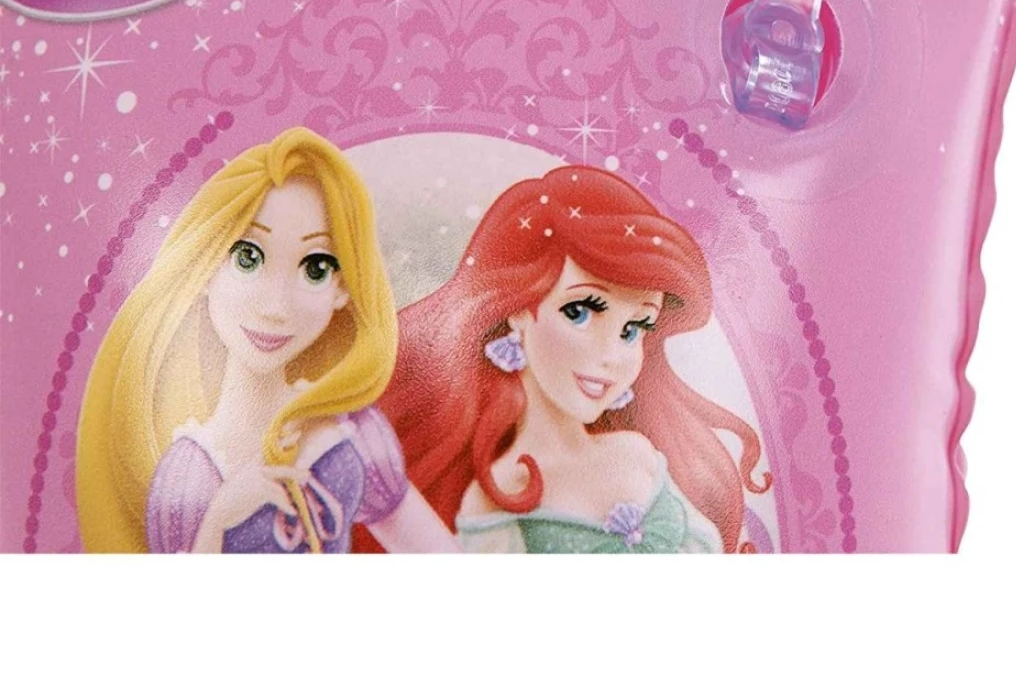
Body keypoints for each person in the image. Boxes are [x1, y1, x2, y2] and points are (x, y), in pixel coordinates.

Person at [76, 127, 458, 553]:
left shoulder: (348, 432)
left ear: (343, 287)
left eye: (315, 268)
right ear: (205, 265)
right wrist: (220, 517)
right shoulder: (190, 472)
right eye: (247, 257)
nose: (275, 307)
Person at [364, 165, 772, 553]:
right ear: (519, 310)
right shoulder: (500, 491)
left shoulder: (637, 454)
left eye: (633, 329)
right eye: (579, 312)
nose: (611, 355)